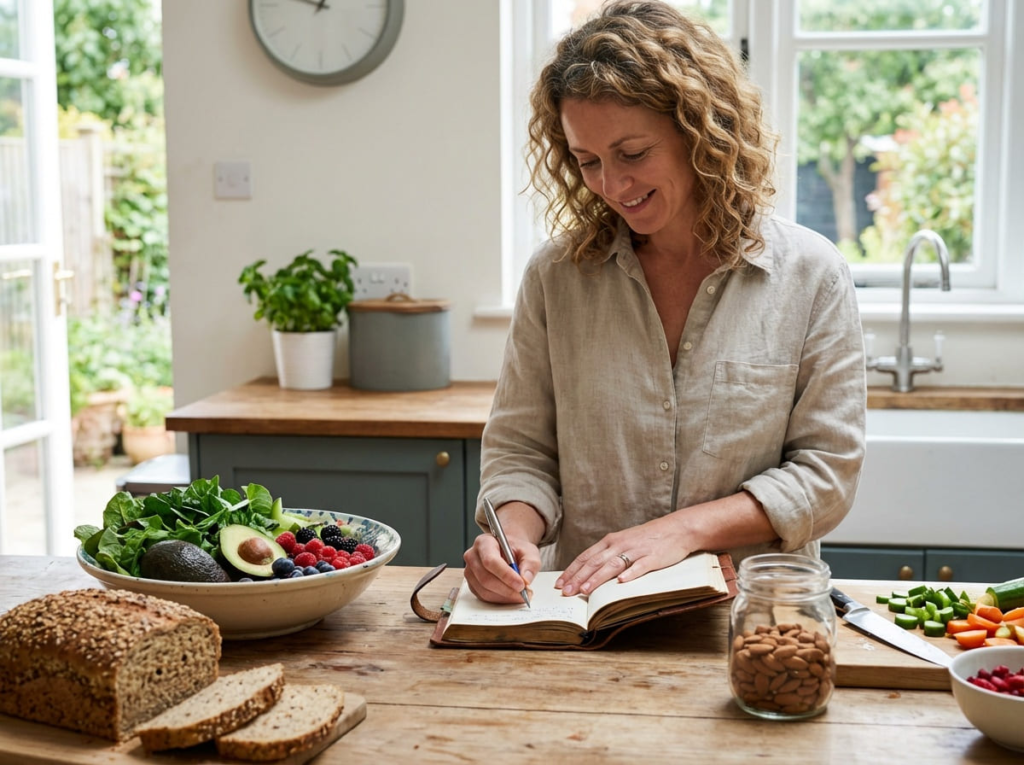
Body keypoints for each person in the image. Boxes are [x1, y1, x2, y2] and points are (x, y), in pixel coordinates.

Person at [464, 0, 866, 604]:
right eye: (588, 161)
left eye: (632, 154)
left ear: (701, 132)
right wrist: (513, 534)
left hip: (753, 619)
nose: (611, 185)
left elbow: (826, 475)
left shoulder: (811, 275)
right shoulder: (556, 276)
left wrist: (681, 531)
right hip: (587, 613)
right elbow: (522, 452)